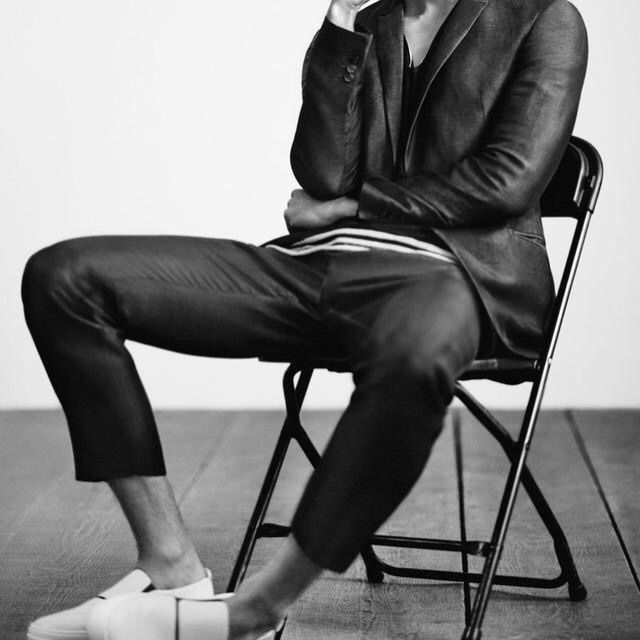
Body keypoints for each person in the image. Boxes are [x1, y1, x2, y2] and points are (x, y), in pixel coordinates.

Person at [20, 0, 588, 638]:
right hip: (319, 265)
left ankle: (256, 609)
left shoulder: (542, 17)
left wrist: (353, 206)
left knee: (415, 356)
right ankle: (170, 565)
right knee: (64, 278)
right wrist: (341, 21)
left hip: (453, 276)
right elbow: (320, 173)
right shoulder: (368, 23)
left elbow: (508, 181)